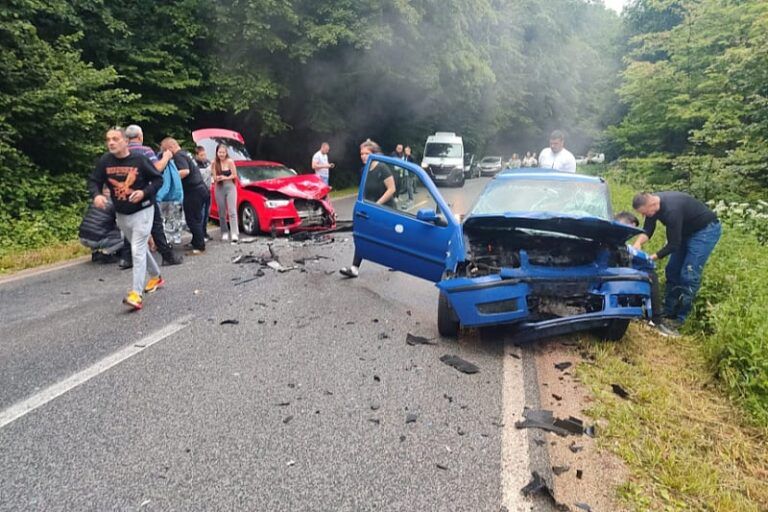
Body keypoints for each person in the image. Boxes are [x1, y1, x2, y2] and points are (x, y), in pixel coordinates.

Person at [88, 127, 165, 310]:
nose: (111, 143)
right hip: (122, 212)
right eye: (108, 139)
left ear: (125, 141)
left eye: (115, 139)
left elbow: (157, 180)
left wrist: (143, 192)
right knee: (137, 247)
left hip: (143, 210)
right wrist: (97, 195)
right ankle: (156, 277)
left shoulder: (139, 160)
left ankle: (136, 295)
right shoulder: (105, 161)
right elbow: (94, 181)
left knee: (137, 248)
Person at [632, 191, 722, 336]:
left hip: (705, 230)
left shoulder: (672, 210)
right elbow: (648, 229)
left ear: (652, 205)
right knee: (672, 270)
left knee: (689, 273)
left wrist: (651, 257)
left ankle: (681, 319)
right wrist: (638, 243)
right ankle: (668, 312)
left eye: (645, 213)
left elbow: (673, 244)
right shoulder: (652, 207)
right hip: (685, 231)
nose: (644, 216)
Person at [124, 124, 183, 265]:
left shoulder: (122, 153)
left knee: (130, 225)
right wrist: (167, 157)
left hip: (126, 194)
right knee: (156, 225)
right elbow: (157, 168)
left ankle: (126, 259)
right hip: (145, 192)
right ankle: (168, 257)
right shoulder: (145, 151)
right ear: (140, 137)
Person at [339, 139, 397, 278]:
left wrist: (378, 203)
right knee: (362, 236)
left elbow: (391, 189)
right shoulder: (363, 170)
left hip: (386, 209)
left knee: (389, 238)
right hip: (371, 209)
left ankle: (396, 262)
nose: (363, 156)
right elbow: (363, 190)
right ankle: (354, 268)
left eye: (366, 153)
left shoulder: (382, 168)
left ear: (374, 153)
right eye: (361, 154)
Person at [614, 211, 664, 331]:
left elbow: (646, 262)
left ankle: (650, 316)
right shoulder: (617, 245)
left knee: (646, 271)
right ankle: (656, 320)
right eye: (632, 228)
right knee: (649, 273)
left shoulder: (625, 248)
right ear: (628, 224)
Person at [161, 138, 209, 254]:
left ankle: (199, 246)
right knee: (196, 217)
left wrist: (171, 178)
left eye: (165, 151)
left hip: (194, 191)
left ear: (170, 147)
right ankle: (196, 241)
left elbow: (185, 171)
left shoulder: (178, 156)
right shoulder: (186, 153)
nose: (165, 154)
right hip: (201, 189)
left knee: (192, 220)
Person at [212, 143, 239, 243]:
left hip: (230, 187)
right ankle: (224, 232)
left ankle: (234, 232)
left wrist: (225, 177)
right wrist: (217, 178)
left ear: (226, 152)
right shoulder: (215, 163)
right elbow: (214, 177)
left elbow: (235, 175)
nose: (221, 154)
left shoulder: (230, 161)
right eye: (220, 152)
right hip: (219, 187)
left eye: (223, 152)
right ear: (217, 152)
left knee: (232, 211)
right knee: (221, 211)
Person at [194, 146, 212, 241]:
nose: (204, 157)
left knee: (206, 213)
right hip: (199, 192)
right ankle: (199, 234)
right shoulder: (194, 164)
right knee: (201, 213)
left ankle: (204, 232)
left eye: (204, 154)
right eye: (201, 155)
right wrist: (209, 169)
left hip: (208, 191)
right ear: (196, 155)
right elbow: (201, 176)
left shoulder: (207, 162)